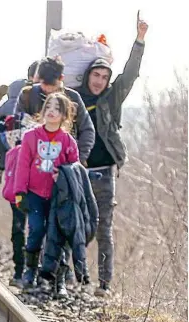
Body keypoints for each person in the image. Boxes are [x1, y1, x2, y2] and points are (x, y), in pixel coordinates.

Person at [76, 13, 148, 297]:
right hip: (78, 173)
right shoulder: (74, 97)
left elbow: (130, 74)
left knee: (104, 229)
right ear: (88, 75)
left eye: (105, 77)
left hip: (105, 172)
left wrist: (139, 41)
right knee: (78, 227)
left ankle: (104, 284)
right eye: (96, 75)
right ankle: (79, 279)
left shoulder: (111, 98)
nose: (100, 81)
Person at [13, 92, 80, 290]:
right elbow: (22, 165)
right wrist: (20, 193)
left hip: (59, 197)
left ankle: (58, 279)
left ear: (64, 115)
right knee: (36, 230)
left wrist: (65, 176)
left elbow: (74, 169)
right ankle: (30, 271)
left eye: (57, 109)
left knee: (59, 235)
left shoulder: (68, 142)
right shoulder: (31, 137)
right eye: (48, 107)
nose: (51, 112)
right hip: (34, 194)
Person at [0, 61, 39, 186]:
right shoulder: (26, 96)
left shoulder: (29, 96)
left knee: (2, 141)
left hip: (10, 133)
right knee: (4, 141)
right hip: (12, 133)